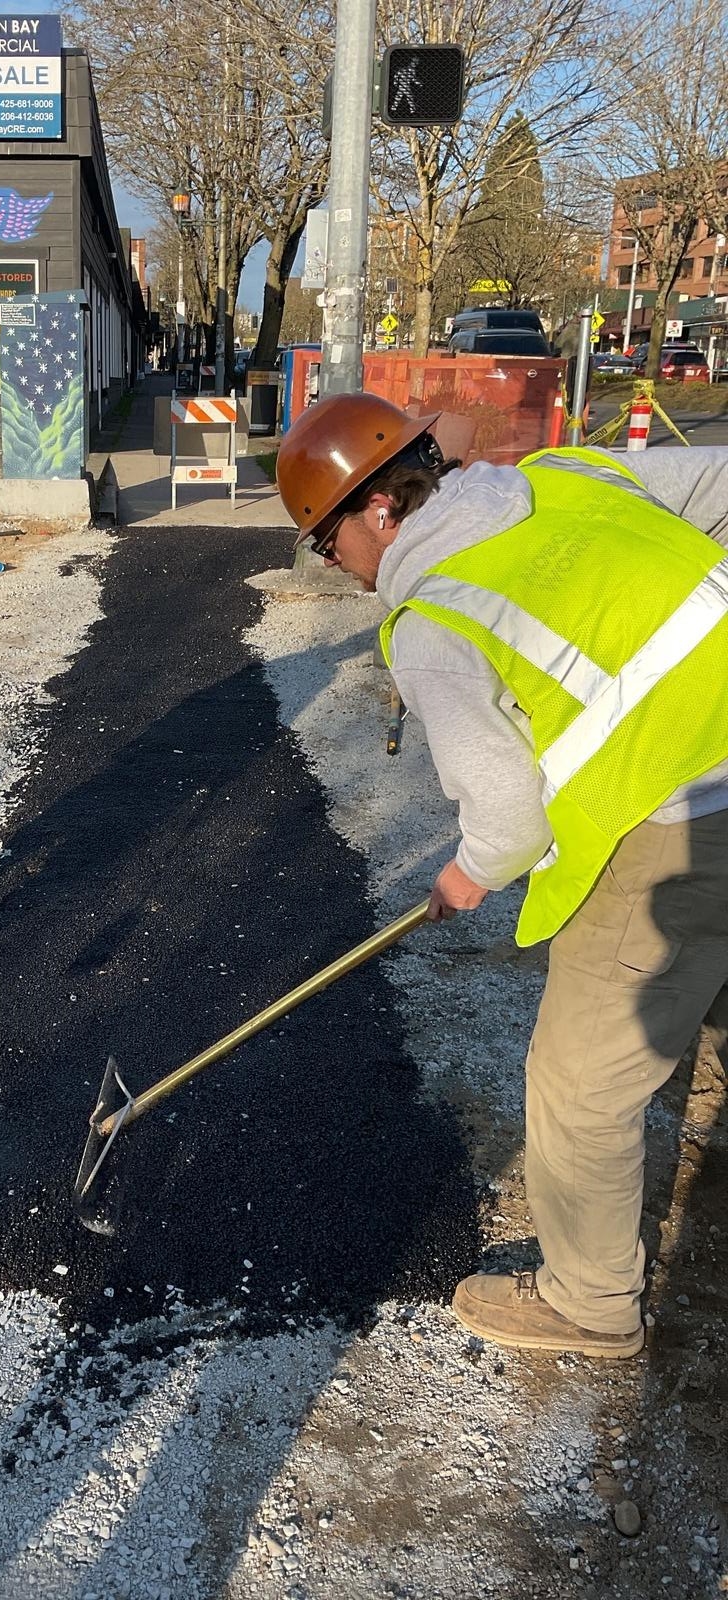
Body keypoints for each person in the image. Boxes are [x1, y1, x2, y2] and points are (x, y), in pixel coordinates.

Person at [276, 393, 728, 1358]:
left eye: (325, 541)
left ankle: (591, 1302)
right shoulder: (565, 477)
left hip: (681, 812)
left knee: (577, 1082)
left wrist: (467, 876)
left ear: (380, 512)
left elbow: (510, 818)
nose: (338, 568)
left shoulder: (436, 615)